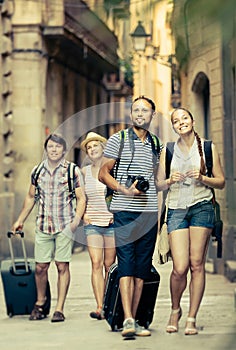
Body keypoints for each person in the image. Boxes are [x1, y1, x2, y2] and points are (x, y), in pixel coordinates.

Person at [156, 107, 225, 335]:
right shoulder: (168, 150)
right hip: (176, 208)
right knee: (179, 267)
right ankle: (175, 310)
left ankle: (192, 317)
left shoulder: (207, 147)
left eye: (184, 118)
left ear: (193, 121)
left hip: (202, 207)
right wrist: (169, 180)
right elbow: (158, 184)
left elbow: (221, 181)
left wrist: (203, 177)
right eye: (176, 121)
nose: (181, 122)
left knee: (197, 264)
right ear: (174, 126)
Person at [99, 96, 163, 338]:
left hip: (148, 214)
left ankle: (135, 319)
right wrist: (125, 190)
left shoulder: (156, 144)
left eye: (144, 110)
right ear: (130, 115)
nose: (139, 114)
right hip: (124, 211)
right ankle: (127, 319)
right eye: (135, 110)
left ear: (151, 115)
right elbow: (103, 173)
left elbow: (157, 181)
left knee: (141, 269)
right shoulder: (119, 139)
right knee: (126, 265)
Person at [12, 133, 86, 322]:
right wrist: (20, 219)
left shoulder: (72, 171)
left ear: (63, 149)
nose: (54, 150)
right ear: (46, 149)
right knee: (40, 267)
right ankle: (40, 302)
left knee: (62, 265)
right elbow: (31, 197)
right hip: (43, 225)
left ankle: (59, 308)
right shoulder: (37, 171)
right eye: (51, 146)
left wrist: (76, 220)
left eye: (58, 147)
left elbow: (81, 197)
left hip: (64, 225)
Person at [80, 132, 116, 320]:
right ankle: (100, 306)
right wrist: (83, 214)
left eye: (95, 146)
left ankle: (110, 303)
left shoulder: (112, 167)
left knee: (109, 265)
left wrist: (115, 214)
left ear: (103, 148)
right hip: (92, 222)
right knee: (96, 262)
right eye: (89, 147)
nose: (92, 149)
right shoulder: (84, 171)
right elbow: (80, 196)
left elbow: (119, 194)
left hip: (111, 222)